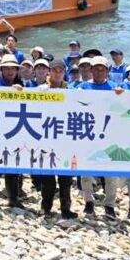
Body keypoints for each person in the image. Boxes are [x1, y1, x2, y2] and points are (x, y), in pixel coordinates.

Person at [78, 56, 130, 219]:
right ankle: (89, 202)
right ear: (91, 70)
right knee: (85, 171)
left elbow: (128, 104)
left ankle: (109, 205)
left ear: (107, 71)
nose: (99, 71)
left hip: (110, 136)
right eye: (96, 68)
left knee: (111, 173)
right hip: (88, 134)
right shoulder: (83, 87)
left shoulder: (115, 87)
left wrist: (122, 95)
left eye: (102, 69)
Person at [35, 60, 77, 219]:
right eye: (54, 70)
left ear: (64, 73)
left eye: (60, 71)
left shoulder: (72, 91)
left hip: (65, 139)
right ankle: (45, 207)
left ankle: (66, 208)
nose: (57, 73)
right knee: (47, 178)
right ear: (49, 72)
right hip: (46, 138)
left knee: (66, 178)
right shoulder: (41, 89)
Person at [0, 55, 25, 208]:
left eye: (13, 68)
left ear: (17, 70)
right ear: (1, 70)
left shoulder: (23, 85)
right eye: (7, 68)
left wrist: (23, 92)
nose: (10, 71)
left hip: (16, 130)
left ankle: (13, 198)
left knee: (13, 166)